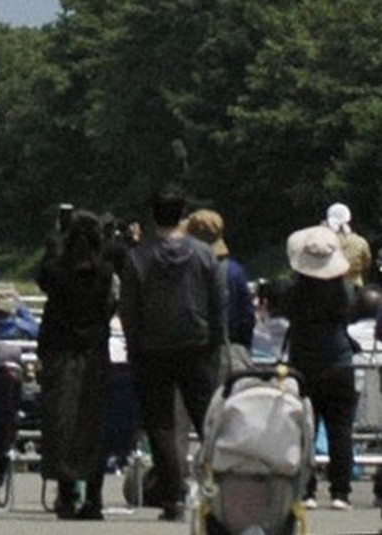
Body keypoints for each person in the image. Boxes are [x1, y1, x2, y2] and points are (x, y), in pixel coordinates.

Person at [118, 183, 223, 523]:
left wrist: (134, 346)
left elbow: (129, 310)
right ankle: (220, 490)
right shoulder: (205, 254)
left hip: (152, 347)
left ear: (152, 215)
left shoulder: (138, 257)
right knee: (209, 421)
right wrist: (215, 342)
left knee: (160, 424)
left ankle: (173, 498)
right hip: (198, 344)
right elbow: (217, 304)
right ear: (183, 214)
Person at [34, 208, 115, 520]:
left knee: (62, 422)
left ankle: (66, 494)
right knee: (93, 423)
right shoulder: (104, 271)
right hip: (94, 352)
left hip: (61, 352)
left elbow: (44, 276)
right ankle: (93, 497)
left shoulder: (56, 270)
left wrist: (55, 241)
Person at [281, 225, 357, 511]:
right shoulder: (346, 291)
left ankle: (307, 490)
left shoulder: (294, 292)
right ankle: (341, 492)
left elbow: (286, 311)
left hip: (303, 365)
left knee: (304, 431)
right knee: (341, 431)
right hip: (339, 362)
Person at [184, 207, 255, 376]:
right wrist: (244, 347)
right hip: (228, 350)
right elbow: (247, 317)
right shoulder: (235, 271)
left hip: (191, 353)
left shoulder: (182, 271)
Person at [326, 202, 372, 288]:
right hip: (356, 287)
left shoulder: (323, 242)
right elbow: (367, 264)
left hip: (330, 289)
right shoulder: (360, 242)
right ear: (349, 219)